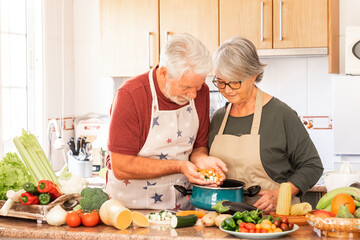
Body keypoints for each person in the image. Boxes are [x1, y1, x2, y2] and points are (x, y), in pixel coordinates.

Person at [106, 33, 228, 210]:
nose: (193, 95)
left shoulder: (201, 94)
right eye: (185, 87)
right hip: (130, 212)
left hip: (181, 210)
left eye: (198, 86)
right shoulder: (131, 96)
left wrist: (202, 160)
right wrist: (180, 166)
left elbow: (198, 148)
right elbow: (121, 166)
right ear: (163, 73)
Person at [209, 36, 323, 213]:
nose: (228, 89)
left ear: (253, 75)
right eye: (221, 82)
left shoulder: (281, 114)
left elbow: (312, 166)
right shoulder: (218, 117)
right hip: (225, 218)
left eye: (235, 82)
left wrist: (280, 194)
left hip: (274, 218)